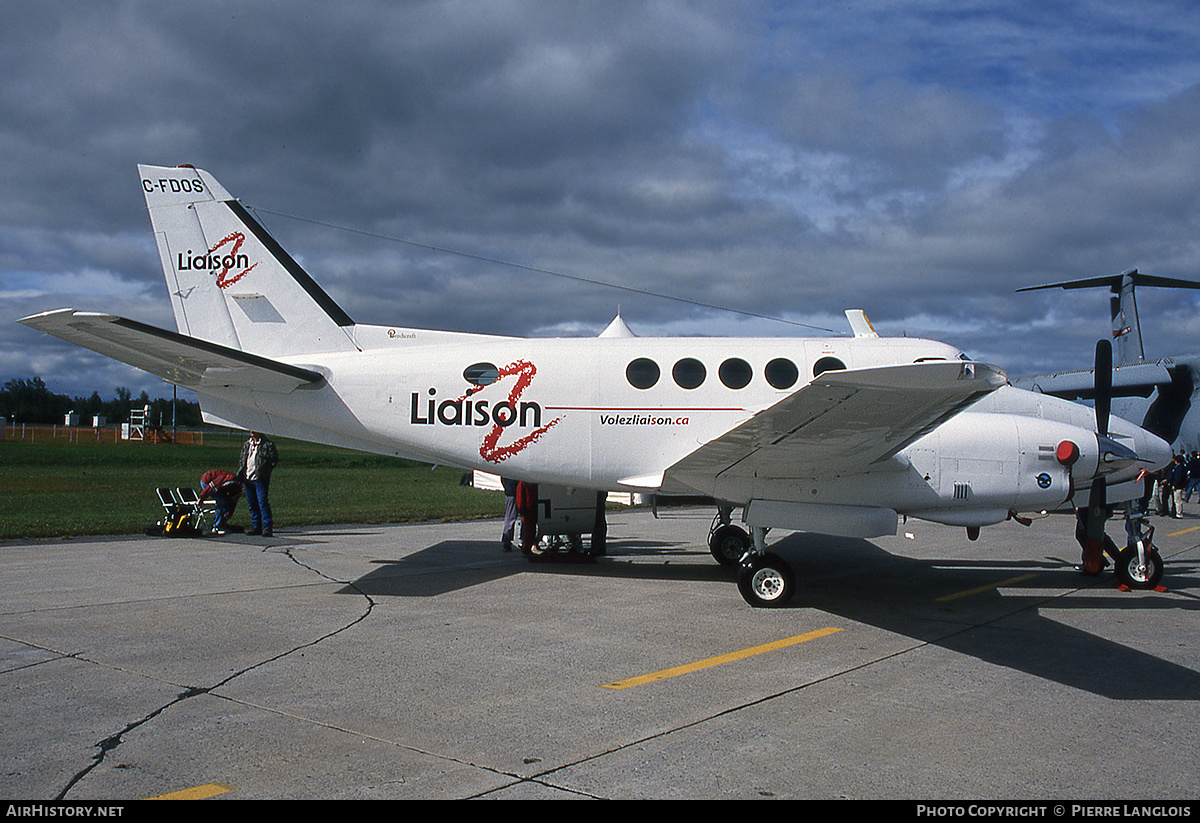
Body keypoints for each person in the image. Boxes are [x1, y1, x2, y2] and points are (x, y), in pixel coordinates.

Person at [239, 431, 279, 536]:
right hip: (247, 477)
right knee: (252, 503)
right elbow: (242, 459)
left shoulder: (267, 444)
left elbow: (274, 459)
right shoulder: (247, 444)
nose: (251, 432)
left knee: (262, 502)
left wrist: (265, 471)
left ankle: (267, 527)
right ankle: (256, 526)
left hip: (260, 478)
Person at [198, 468, 242, 535]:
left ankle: (221, 524)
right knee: (221, 501)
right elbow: (212, 485)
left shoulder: (237, 490)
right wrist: (202, 497)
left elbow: (232, 503)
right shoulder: (230, 479)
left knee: (226, 501)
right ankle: (216, 526)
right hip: (207, 481)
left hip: (220, 487)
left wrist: (227, 515)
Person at [500, 476, 519, 552]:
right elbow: (503, 478)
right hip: (512, 492)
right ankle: (506, 540)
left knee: (524, 517)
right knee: (510, 518)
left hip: (516, 490)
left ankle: (524, 539)